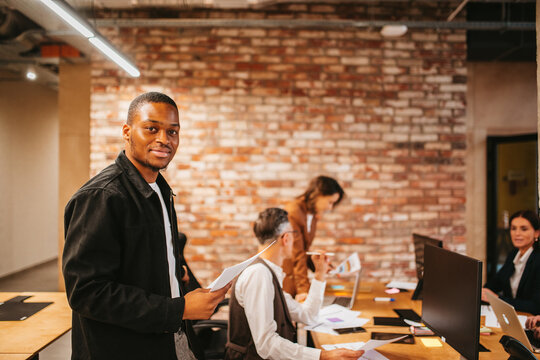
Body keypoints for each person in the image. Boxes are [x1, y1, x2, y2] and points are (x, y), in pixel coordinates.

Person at [63, 92, 230, 360]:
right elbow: (87, 293)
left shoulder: (160, 191)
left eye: (172, 132)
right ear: (127, 132)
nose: (164, 139)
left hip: (170, 342)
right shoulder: (102, 197)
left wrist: (176, 277)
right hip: (124, 349)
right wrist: (179, 309)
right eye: (151, 129)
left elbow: (137, 265)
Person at [225, 207, 363, 360]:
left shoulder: (268, 273)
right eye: (293, 234)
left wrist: (320, 275)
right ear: (286, 238)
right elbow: (266, 344)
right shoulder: (259, 275)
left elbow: (308, 315)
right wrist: (323, 355)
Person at [283, 176, 345, 301]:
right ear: (318, 195)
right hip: (288, 275)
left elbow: (303, 248)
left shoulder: (312, 213)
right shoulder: (294, 212)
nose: (330, 208)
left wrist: (318, 265)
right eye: (330, 202)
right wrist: (304, 290)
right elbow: (297, 254)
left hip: (295, 275)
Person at [482, 210, 540, 314]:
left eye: (524, 229)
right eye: (513, 228)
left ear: (537, 233)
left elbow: (536, 306)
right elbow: (495, 282)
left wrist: (498, 299)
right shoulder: (514, 254)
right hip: (513, 318)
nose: (517, 233)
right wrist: (483, 292)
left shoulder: (537, 260)